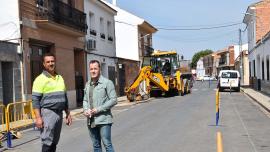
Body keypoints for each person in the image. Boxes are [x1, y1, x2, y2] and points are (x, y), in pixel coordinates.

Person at [32, 53, 72, 152]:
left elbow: (64, 97)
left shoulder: (60, 77)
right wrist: (38, 118)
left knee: (54, 141)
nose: (51, 63)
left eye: (52, 61)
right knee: (47, 141)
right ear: (44, 64)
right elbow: (35, 100)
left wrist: (68, 113)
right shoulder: (39, 79)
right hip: (48, 113)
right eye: (48, 62)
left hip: (59, 113)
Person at [83, 60, 117, 152]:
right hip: (91, 120)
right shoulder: (87, 84)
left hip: (104, 120)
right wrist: (86, 110)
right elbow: (85, 100)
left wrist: (98, 109)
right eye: (91, 69)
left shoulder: (107, 83)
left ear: (99, 70)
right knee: (96, 146)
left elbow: (114, 100)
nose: (93, 71)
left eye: (95, 68)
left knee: (107, 144)